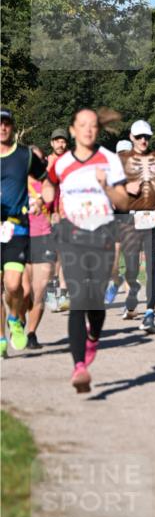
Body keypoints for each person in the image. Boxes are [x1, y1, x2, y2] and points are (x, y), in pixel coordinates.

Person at [44, 108, 138, 391]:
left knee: (95, 303)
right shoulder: (61, 164)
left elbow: (123, 202)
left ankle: (94, 336)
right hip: (72, 237)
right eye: (81, 125)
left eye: (93, 125)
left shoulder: (110, 160)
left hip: (103, 236)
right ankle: (79, 367)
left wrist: (106, 186)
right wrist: (45, 202)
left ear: (98, 130)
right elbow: (49, 186)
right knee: (78, 300)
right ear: (72, 130)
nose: (87, 130)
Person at [0, 108, 47, 356]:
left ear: (12, 127)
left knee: (14, 284)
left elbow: (47, 181)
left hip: (16, 227)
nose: (2, 128)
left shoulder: (25, 155)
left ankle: (15, 319)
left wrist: (41, 201)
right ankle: (1, 338)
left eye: (6, 123)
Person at [117, 121, 155, 332]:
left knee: (153, 267)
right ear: (132, 137)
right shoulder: (121, 160)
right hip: (130, 220)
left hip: (152, 219)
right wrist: (126, 186)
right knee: (132, 268)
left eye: (147, 136)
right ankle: (132, 289)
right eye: (139, 136)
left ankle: (149, 313)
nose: (144, 140)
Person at [21, 149, 57, 349]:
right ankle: (19, 318)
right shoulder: (16, 182)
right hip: (22, 238)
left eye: (39, 158)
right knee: (24, 292)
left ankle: (32, 334)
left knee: (39, 290)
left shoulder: (48, 184)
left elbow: (59, 207)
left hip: (44, 237)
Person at [104, 139, 133, 305]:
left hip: (132, 220)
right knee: (112, 264)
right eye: (121, 154)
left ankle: (130, 301)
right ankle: (116, 281)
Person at [47, 127, 70, 312]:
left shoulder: (71, 161)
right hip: (50, 214)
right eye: (57, 141)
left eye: (63, 141)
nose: (60, 144)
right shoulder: (47, 162)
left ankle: (63, 292)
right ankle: (51, 289)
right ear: (52, 143)